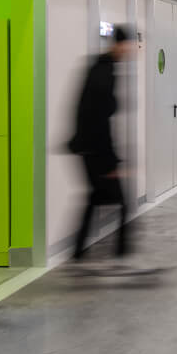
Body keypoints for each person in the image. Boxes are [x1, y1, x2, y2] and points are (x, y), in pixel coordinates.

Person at [69, 25, 134, 266]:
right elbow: (97, 118)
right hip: (94, 150)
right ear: (120, 44)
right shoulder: (103, 72)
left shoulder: (101, 66)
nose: (131, 51)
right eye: (129, 45)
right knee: (122, 203)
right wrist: (111, 161)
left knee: (94, 199)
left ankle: (78, 253)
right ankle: (121, 256)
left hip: (88, 147)